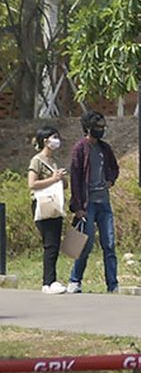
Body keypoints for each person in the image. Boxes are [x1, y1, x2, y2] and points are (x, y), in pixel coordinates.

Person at [67, 111, 120, 293]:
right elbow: (75, 178)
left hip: (104, 203)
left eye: (103, 127)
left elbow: (114, 167)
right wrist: (77, 206)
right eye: (98, 127)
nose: (102, 130)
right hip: (87, 204)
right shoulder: (80, 149)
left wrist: (110, 180)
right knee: (85, 243)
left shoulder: (105, 148)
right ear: (88, 128)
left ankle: (112, 284)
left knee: (110, 244)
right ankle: (75, 280)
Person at [27, 126, 68, 294]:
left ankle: (51, 280)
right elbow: (32, 184)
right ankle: (48, 282)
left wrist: (62, 179)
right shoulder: (37, 160)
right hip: (43, 204)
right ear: (45, 141)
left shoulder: (53, 161)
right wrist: (53, 179)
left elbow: (60, 184)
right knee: (50, 244)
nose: (57, 140)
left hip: (55, 203)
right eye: (54, 137)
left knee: (55, 243)